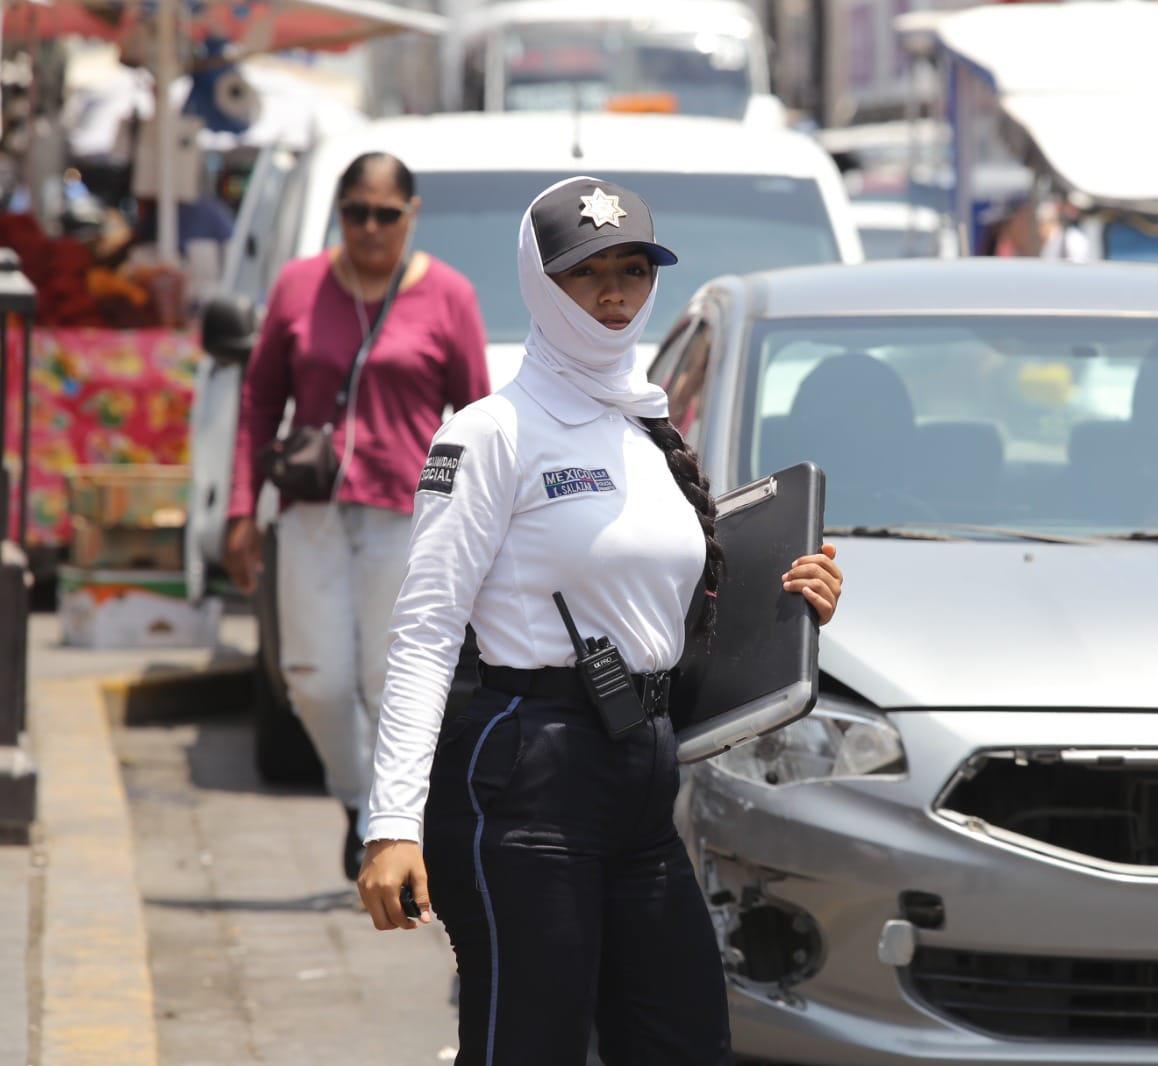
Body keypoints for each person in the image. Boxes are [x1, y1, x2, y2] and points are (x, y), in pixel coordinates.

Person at [357, 177, 844, 1065]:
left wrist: (791, 600)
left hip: (641, 778)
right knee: (528, 1047)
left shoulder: (647, 428)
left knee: (684, 1040)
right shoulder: (490, 434)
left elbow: (671, 613)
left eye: (632, 268)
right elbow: (426, 631)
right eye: (586, 273)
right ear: (539, 282)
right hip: (526, 780)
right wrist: (392, 824)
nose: (614, 294)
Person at [225, 152, 490, 880]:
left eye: (385, 215)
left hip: (403, 516)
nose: (369, 229)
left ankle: (388, 822)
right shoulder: (298, 287)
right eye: (355, 213)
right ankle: (360, 799)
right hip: (309, 509)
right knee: (311, 678)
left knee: (386, 678)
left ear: (412, 215)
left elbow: (476, 416)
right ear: (339, 213)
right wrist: (242, 508)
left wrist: (483, 520)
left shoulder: (450, 296)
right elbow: (258, 402)